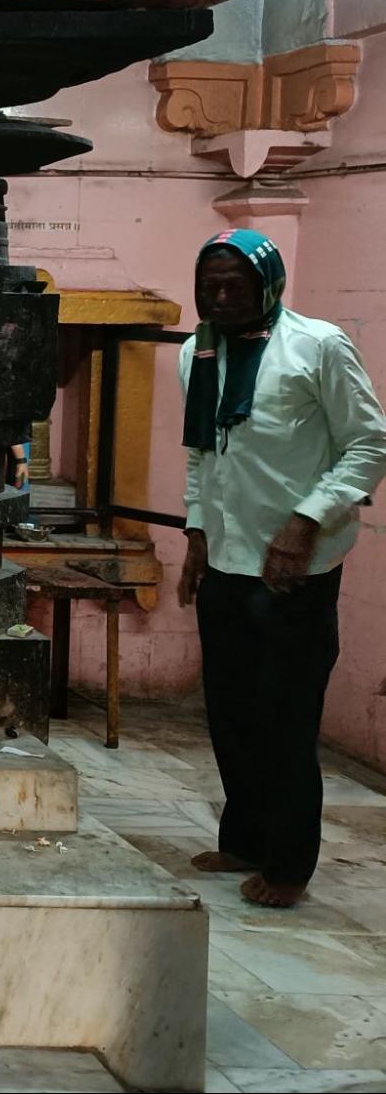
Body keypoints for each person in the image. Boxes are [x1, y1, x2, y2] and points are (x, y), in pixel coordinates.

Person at [178, 229, 386, 908]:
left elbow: (367, 443)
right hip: (228, 564)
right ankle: (242, 839)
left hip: (295, 571)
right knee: (230, 713)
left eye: (234, 284)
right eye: (209, 283)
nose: (220, 295)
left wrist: (304, 521)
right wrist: (195, 536)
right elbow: (201, 457)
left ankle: (289, 865)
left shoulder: (317, 346)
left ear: (266, 284)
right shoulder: (197, 350)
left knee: (284, 719)